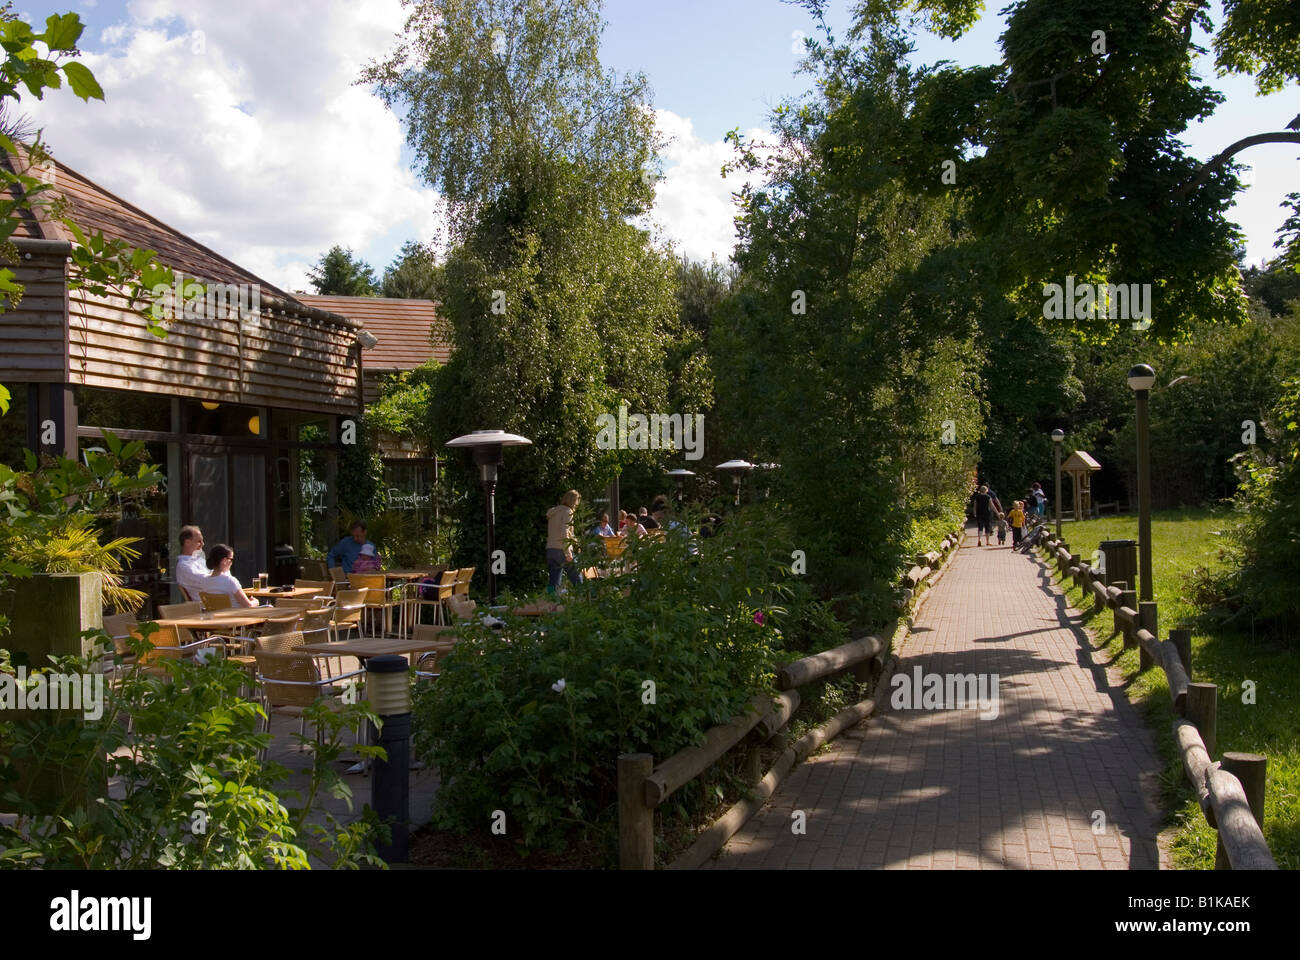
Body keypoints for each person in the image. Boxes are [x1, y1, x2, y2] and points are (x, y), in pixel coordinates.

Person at [546, 490, 584, 597]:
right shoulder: (568, 512)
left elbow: (557, 531)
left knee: (553, 580)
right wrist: (568, 553)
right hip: (561, 549)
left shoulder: (554, 512)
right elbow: (564, 532)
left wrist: (575, 540)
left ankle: (551, 601)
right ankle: (583, 601)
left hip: (550, 549)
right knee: (576, 576)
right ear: (574, 501)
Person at [175, 524, 210, 601]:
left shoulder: (199, 560)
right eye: (199, 541)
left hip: (219, 603)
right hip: (207, 608)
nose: (202, 544)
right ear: (187, 542)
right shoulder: (184, 566)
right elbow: (208, 581)